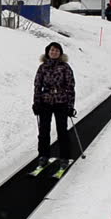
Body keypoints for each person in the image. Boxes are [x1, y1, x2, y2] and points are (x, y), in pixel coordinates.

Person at [32, 42, 76, 171]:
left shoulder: (65, 67)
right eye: (52, 50)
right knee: (43, 131)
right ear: (48, 52)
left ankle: (64, 157)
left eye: (57, 51)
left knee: (62, 131)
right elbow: (37, 86)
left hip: (61, 102)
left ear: (60, 53)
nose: (54, 52)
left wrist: (70, 105)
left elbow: (70, 87)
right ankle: (43, 155)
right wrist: (36, 103)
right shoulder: (42, 67)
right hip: (45, 102)